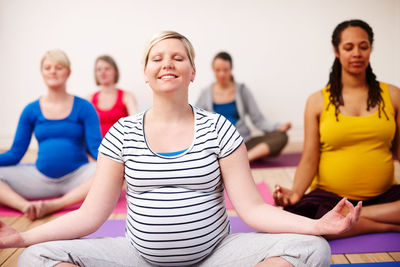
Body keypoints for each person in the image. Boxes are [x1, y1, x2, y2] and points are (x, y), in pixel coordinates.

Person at [0, 31, 361, 267]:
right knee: (35, 257)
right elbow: (89, 216)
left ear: (191, 72)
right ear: (145, 73)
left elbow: (253, 210)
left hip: (217, 256)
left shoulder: (219, 129)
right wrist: (23, 236)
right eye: (157, 58)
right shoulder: (122, 134)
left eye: (178, 57)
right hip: (136, 257)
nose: (167, 63)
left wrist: (317, 227)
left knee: (313, 251)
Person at [274, 19, 400, 239]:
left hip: (384, 197)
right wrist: (295, 193)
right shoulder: (317, 101)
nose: (357, 53)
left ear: (371, 48)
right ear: (336, 50)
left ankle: (350, 217)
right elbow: (310, 158)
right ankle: (386, 226)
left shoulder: (393, 95)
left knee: (323, 222)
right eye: (348, 47)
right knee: (299, 220)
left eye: (363, 46)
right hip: (330, 198)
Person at [0, 49, 102, 220]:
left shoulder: (84, 107)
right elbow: (16, 153)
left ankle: (56, 205)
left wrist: (117, 167)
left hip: (78, 179)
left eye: (59, 67)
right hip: (40, 180)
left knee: (112, 173)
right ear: (42, 72)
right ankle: (27, 207)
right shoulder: (30, 110)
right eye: (48, 68)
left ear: (68, 72)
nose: (53, 71)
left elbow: (95, 149)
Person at [196, 52, 291, 162]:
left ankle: (244, 159)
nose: (222, 74)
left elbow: (258, 120)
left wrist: (277, 127)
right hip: (218, 145)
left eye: (225, 70)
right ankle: (236, 159)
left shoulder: (242, 90)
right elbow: (196, 120)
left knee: (281, 137)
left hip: (243, 143)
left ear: (231, 69)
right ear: (213, 70)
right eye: (218, 70)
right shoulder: (205, 93)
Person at [88, 55, 137, 137]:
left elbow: (135, 123)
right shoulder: (89, 99)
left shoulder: (127, 97)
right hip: (95, 147)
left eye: (107, 69)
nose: (102, 72)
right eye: (99, 69)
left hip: (120, 147)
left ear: (115, 71)